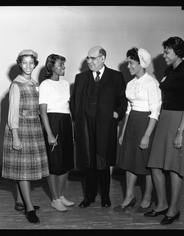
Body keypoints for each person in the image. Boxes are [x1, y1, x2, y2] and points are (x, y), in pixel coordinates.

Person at [145, 37, 184, 225]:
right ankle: (161, 204)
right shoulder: (169, 70)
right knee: (155, 163)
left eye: (167, 52)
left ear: (178, 52)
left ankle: (174, 209)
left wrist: (180, 131)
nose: (164, 55)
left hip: (180, 119)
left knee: (175, 166)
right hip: (165, 117)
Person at [69, 46, 127, 208]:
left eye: (93, 58)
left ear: (103, 58)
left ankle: (106, 196)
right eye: (88, 58)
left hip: (105, 127)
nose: (89, 61)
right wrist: (79, 120)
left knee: (103, 162)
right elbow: (73, 102)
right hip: (85, 126)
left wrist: (116, 114)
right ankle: (89, 196)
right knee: (88, 163)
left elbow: (122, 100)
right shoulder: (80, 78)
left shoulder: (115, 76)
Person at [2, 49, 49, 224]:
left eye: (31, 63)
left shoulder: (35, 83)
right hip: (20, 129)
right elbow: (12, 112)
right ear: (19, 64)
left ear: (35, 64)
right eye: (24, 63)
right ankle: (29, 209)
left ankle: (21, 201)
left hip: (33, 128)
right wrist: (15, 136)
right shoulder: (16, 85)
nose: (28, 66)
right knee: (23, 171)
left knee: (24, 169)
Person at [114, 47, 162, 213]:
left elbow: (155, 112)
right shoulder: (130, 83)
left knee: (146, 164)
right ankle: (129, 197)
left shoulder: (152, 83)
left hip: (146, 124)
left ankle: (147, 198)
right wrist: (123, 132)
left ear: (141, 63)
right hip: (132, 123)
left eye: (132, 63)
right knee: (128, 162)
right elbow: (128, 109)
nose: (129, 66)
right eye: (128, 63)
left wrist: (147, 135)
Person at [39, 54, 75, 212]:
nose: (63, 68)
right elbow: (43, 111)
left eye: (64, 65)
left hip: (66, 122)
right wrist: (49, 133)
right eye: (60, 65)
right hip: (53, 122)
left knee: (66, 162)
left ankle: (60, 196)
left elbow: (68, 108)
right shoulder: (45, 84)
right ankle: (54, 199)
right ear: (51, 67)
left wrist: (72, 130)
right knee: (54, 164)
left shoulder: (66, 84)